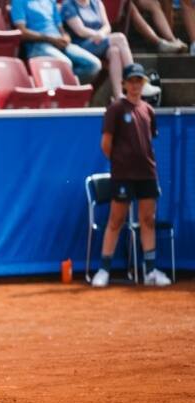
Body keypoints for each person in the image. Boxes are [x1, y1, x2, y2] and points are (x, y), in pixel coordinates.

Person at [91, 64, 172, 288]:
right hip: (123, 176)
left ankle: (150, 272)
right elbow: (106, 144)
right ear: (125, 84)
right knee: (116, 220)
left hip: (147, 174)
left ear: (143, 84)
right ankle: (104, 271)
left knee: (147, 220)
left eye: (139, 81)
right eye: (132, 81)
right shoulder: (116, 109)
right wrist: (120, 164)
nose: (136, 85)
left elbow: (148, 141)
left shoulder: (148, 110)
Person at [61, 0, 161, 100]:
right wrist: (97, 35)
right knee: (120, 38)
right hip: (81, 46)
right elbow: (80, 30)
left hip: (100, 41)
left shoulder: (97, 2)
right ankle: (137, 80)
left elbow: (107, 26)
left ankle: (118, 95)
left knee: (114, 51)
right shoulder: (68, 4)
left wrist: (102, 34)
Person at [11, 0, 102, 84]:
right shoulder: (19, 1)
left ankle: (65, 92)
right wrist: (50, 39)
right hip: (37, 44)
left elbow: (60, 27)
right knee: (65, 64)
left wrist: (65, 37)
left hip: (58, 42)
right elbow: (22, 32)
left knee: (93, 64)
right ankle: (62, 94)